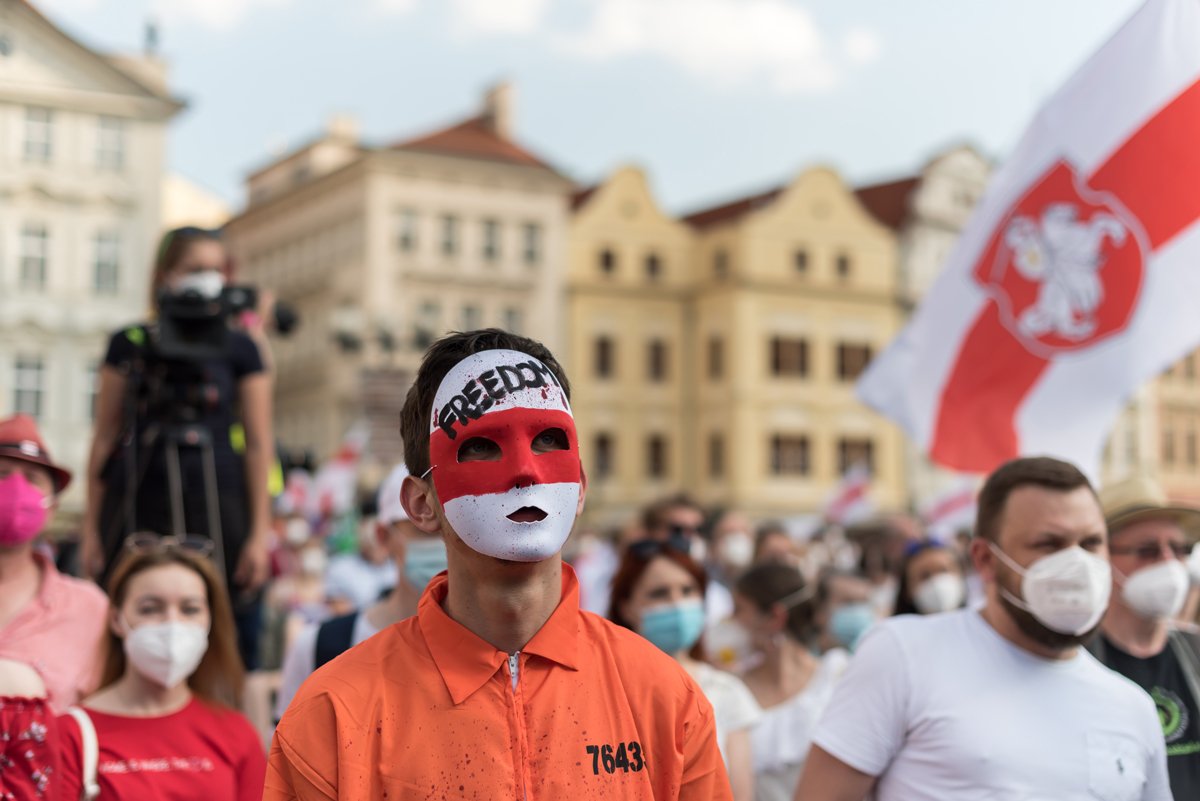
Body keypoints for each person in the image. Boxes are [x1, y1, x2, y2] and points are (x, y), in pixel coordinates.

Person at [266, 329, 731, 799]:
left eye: (549, 440)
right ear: (421, 503)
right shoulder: (334, 714)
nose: (526, 470)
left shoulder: (664, 697)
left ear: (581, 487)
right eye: (480, 446)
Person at [794, 456, 1171, 801]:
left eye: (1091, 543)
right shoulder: (903, 655)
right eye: (1048, 544)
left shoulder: (1132, 707)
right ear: (986, 560)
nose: (1076, 563)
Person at [81, 225, 273, 668]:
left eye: (215, 269)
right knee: (134, 608)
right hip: (141, 490)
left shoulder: (241, 349)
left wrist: (260, 536)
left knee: (219, 620)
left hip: (219, 498)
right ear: (166, 274)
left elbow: (259, 443)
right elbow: (104, 437)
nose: (206, 279)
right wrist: (92, 529)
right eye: (194, 269)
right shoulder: (131, 343)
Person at [58, 538, 266, 800]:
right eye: (150, 609)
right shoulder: (70, 734)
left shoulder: (236, 732)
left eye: (190, 609)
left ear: (210, 620)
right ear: (116, 619)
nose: (172, 623)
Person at [273, 463, 448, 719]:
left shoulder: (497, 648)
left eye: (454, 529)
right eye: (423, 527)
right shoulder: (320, 646)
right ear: (383, 536)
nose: (444, 543)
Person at [0, 415, 108, 801]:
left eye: (31, 479)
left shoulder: (89, 609)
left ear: (52, 504)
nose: (14, 488)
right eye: (2, 473)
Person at [608, 536, 760, 801]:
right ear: (627, 607)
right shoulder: (604, 688)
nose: (677, 603)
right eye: (660, 594)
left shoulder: (727, 691)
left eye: (688, 591)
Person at [1091, 475, 1200, 799]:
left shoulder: (1195, 648)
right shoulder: (1075, 662)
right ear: (1102, 559)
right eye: (1147, 550)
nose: (1169, 561)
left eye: (1179, 548)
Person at [732, 564, 847, 801]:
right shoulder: (730, 688)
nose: (731, 620)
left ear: (775, 617)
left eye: (739, 609)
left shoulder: (838, 675)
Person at [890, 538, 967, 616]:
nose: (936, 581)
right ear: (907, 591)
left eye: (943, 571)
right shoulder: (895, 627)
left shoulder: (977, 621)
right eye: (925, 576)